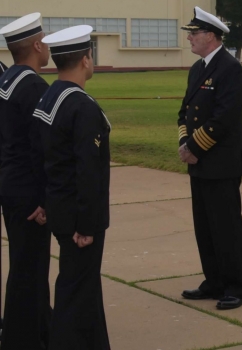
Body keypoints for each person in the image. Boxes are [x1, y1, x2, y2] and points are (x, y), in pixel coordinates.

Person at [33, 25, 111, 349]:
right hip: (79, 217)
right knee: (74, 294)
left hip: (60, 208)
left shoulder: (50, 95)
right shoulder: (82, 106)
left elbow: (39, 157)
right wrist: (87, 224)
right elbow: (89, 172)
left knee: (85, 288)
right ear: (85, 60)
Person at [177, 6, 242, 310]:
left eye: (194, 34)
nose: (190, 39)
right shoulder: (198, 69)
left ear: (211, 35)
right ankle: (214, 281)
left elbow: (223, 119)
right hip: (200, 163)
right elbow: (185, 112)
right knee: (204, 227)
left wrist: (193, 147)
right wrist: (184, 142)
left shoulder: (230, 68)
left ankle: (235, 287)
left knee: (226, 228)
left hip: (220, 164)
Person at [0, 13, 51, 350]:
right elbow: (42, 150)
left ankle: (27, 328)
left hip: (10, 185)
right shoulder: (33, 86)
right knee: (30, 267)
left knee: (23, 262)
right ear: (35, 45)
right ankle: (26, 337)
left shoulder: (7, 81)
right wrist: (46, 199)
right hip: (28, 192)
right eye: (44, 40)